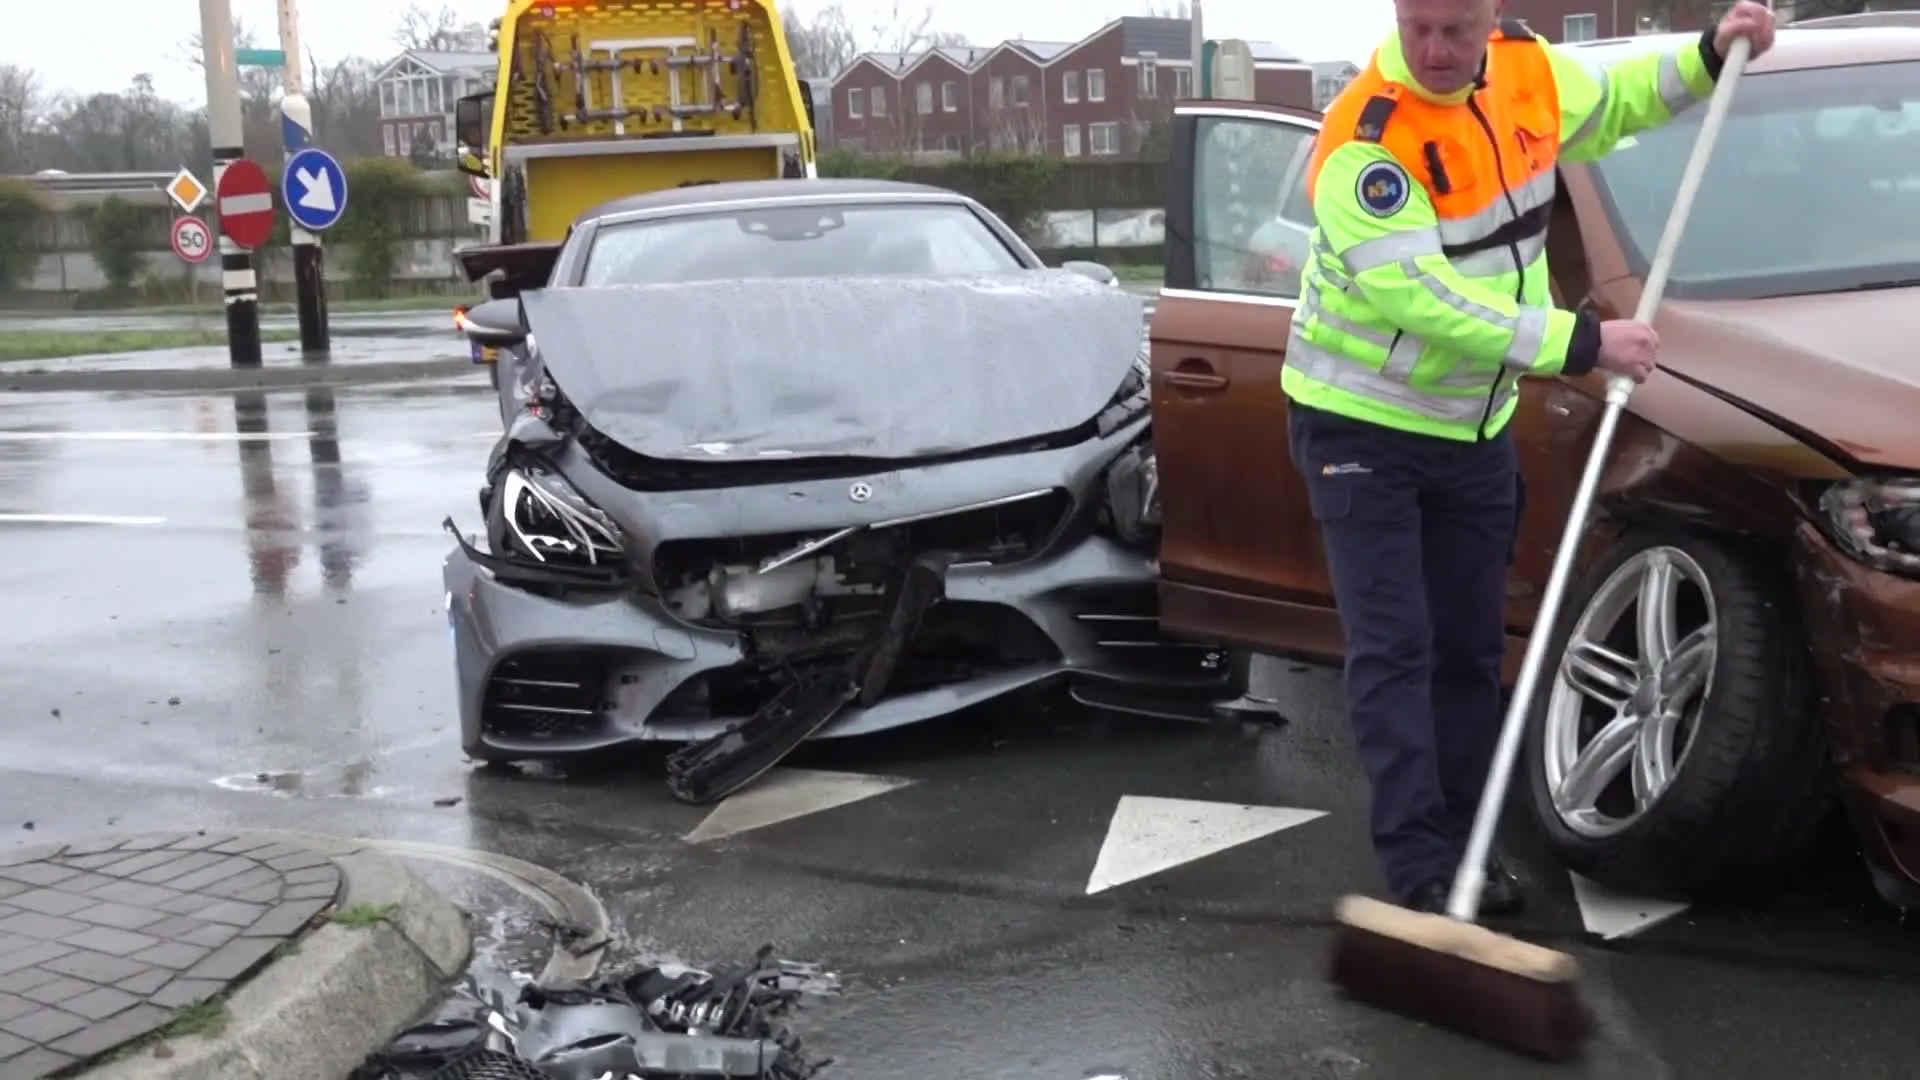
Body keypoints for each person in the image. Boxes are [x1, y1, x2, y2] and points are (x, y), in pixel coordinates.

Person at [1286, 0, 1777, 916]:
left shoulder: (1528, 70)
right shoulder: (1367, 136)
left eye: (1456, 30)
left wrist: (1709, 55)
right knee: (1397, 650)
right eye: (1418, 26)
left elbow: (1624, 96)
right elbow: (1418, 299)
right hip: (1359, 428)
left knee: (1471, 652)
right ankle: (1422, 870)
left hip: (1472, 431)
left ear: (1492, 17)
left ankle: (1472, 845)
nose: (1434, 50)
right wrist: (1580, 345)